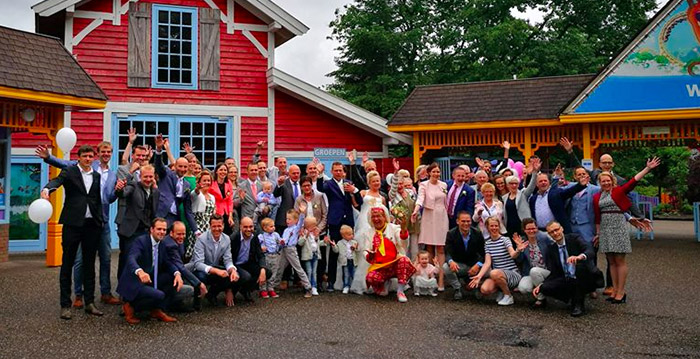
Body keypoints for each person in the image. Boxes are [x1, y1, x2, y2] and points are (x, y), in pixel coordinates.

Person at [35, 142, 120, 306]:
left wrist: (117, 192)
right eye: (102, 151)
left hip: (97, 222)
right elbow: (60, 175)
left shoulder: (106, 175)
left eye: (109, 151)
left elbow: (104, 198)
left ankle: (98, 297)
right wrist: (48, 164)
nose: (106, 154)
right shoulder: (76, 169)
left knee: (99, 261)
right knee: (74, 261)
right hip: (76, 222)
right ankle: (73, 299)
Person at [593, 157, 660, 304]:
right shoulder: (597, 196)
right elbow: (597, 217)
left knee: (619, 260)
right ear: (599, 183)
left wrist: (647, 168)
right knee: (610, 261)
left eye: (608, 180)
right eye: (603, 181)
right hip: (605, 229)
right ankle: (614, 290)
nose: (606, 183)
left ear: (612, 181)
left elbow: (633, 181)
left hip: (618, 227)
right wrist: (598, 234)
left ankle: (621, 292)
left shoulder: (618, 191)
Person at [117, 218, 183, 324]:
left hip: (150, 278)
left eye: (164, 230)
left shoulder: (162, 244)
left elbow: (168, 262)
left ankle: (156, 310)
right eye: (159, 229)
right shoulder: (141, 241)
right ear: (151, 230)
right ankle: (130, 305)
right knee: (159, 295)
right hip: (136, 281)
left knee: (172, 279)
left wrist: (177, 274)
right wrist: (139, 271)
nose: (162, 232)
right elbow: (131, 258)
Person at [534, 221, 603, 317]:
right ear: (549, 234)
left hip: (583, 276)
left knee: (579, 267)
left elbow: (590, 250)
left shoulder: (574, 238)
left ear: (562, 228)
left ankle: (578, 304)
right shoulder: (552, 249)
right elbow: (555, 272)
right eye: (551, 232)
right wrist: (542, 284)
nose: (555, 233)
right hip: (567, 278)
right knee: (544, 288)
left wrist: (580, 257)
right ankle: (572, 298)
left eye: (556, 230)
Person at [320, 162, 361, 292]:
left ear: (343, 172)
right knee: (334, 251)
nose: (338, 172)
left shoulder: (348, 183)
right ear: (331, 171)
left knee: (350, 251)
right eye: (336, 170)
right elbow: (321, 188)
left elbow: (358, 202)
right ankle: (331, 282)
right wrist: (320, 173)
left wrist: (354, 191)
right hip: (335, 221)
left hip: (348, 220)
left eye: (340, 170)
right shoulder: (328, 184)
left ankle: (349, 282)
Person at [114, 165, 160, 280]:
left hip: (146, 232)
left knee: (142, 260)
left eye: (150, 177)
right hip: (131, 231)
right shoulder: (134, 186)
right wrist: (119, 189)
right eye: (145, 177)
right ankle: (124, 290)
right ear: (140, 176)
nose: (148, 179)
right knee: (127, 260)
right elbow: (123, 194)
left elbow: (154, 213)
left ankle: (138, 289)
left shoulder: (155, 191)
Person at [468, 217, 527, 306]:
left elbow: (512, 254)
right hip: (498, 275)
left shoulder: (505, 240)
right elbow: (487, 263)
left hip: (512, 274)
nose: (494, 228)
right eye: (491, 226)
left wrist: (518, 250)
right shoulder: (487, 243)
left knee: (494, 273)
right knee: (485, 289)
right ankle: (502, 291)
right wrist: (479, 276)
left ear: (499, 227)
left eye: (496, 226)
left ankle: (508, 296)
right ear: (487, 227)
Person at [363, 207, 415, 303]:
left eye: (378, 216)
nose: (376, 219)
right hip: (380, 266)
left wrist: (403, 230)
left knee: (404, 260)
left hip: (395, 263)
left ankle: (400, 291)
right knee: (371, 278)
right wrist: (368, 255)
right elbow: (366, 249)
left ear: (385, 217)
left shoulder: (394, 228)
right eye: (373, 216)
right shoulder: (368, 232)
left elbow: (403, 244)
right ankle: (383, 284)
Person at [412, 163, 449, 291]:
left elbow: (446, 201)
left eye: (438, 172)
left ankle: (441, 280)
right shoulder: (423, 185)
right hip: (429, 215)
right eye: (434, 172)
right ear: (429, 173)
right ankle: (428, 278)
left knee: (440, 248)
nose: (436, 174)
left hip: (441, 216)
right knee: (429, 248)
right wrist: (416, 210)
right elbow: (420, 199)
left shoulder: (443, 185)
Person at [190, 214, 240, 307]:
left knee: (235, 276)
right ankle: (197, 301)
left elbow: (228, 260)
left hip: (215, 268)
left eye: (219, 226)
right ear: (210, 226)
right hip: (201, 270)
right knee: (202, 276)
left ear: (223, 226)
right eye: (214, 226)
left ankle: (211, 295)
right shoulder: (201, 239)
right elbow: (198, 263)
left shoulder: (226, 239)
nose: (217, 229)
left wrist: (232, 270)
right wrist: (216, 271)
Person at [350, 170, 387, 293]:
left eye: (378, 181)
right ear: (369, 183)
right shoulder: (363, 193)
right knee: (364, 250)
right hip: (364, 223)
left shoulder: (382, 197)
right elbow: (356, 204)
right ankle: (363, 281)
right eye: (373, 181)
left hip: (378, 225)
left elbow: (386, 213)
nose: (376, 183)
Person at [153, 134, 197, 232]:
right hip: (161, 215)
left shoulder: (187, 185)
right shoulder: (166, 174)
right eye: (180, 166)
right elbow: (159, 165)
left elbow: (188, 210)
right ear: (175, 166)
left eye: (185, 167)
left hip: (174, 219)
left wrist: (196, 230)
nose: (183, 169)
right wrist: (159, 150)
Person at [269, 206, 313, 298]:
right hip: (284, 249)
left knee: (298, 268)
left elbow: (301, 222)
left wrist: (301, 214)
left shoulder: (295, 229)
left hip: (291, 250)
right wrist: (281, 242)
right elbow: (284, 239)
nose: (287, 221)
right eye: (286, 219)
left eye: (289, 219)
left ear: (295, 220)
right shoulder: (286, 230)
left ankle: (308, 287)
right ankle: (273, 286)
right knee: (279, 267)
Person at [163, 221, 207, 312]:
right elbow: (180, 267)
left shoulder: (178, 241)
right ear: (171, 233)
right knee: (190, 289)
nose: (181, 237)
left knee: (194, 265)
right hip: (167, 277)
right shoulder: (170, 245)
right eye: (178, 234)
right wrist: (199, 284)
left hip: (175, 270)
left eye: (183, 234)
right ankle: (171, 304)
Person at [294, 176, 329, 289]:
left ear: (311, 185)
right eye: (304, 186)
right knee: (305, 257)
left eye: (308, 185)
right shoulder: (299, 199)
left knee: (320, 258)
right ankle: (306, 283)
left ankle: (318, 282)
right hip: (305, 233)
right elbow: (295, 215)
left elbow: (324, 215)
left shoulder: (319, 196)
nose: (307, 187)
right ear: (301, 187)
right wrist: (302, 230)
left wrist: (318, 229)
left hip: (319, 231)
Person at [443, 211, 485, 300]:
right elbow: (447, 252)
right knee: (446, 267)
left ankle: (476, 286)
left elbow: (483, 253)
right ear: (457, 221)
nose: (466, 223)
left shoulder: (477, 233)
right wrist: (451, 262)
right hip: (459, 265)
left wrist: (478, 265)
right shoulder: (451, 234)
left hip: (474, 265)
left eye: (468, 221)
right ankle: (457, 289)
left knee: (488, 270)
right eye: (463, 221)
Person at [230, 217, 268, 303]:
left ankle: (246, 290)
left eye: (251, 227)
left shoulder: (254, 237)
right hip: (234, 264)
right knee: (246, 276)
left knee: (267, 272)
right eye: (245, 227)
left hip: (247, 263)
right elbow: (228, 258)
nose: (248, 229)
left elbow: (260, 255)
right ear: (240, 227)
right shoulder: (233, 238)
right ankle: (232, 291)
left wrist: (263, 269)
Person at [515, 218, 551, 308]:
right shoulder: (522, 241)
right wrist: (519, 250)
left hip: (546, 271)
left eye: (533, 228)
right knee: (523, 288)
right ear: (524, 230)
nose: (531, 231)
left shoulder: (544, 238)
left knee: (534, 271)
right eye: (528, 229)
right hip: (530, 272)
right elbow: (519, 261)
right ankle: (540, 293)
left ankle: (540, 299)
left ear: (537, 228)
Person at [388, 161, 420, 259]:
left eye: (401, 184)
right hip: (401, 226)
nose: (400, 186)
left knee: (415, 251)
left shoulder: (411, 192)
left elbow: (417, 205)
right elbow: (393, 187)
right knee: (403, 250)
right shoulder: (393, 195)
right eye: (397, 184)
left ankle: (414, 270)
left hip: (414, 224)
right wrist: (396, 171)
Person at [502, 158, 540, 237]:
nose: (514, 185)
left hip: (523, 227)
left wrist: (534, 172)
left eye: (516, 183)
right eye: (511, 184)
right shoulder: (504, 198)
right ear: (507, 185)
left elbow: (532, 186)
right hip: (509, 228)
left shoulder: (523, 194)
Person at [190, 170, 216, 259]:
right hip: (198, 226)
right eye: (204, 180)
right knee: (196, 254)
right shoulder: (197, 194)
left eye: (208, 180)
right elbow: (194, 193)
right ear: (199, 182)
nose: (206, 183)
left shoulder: (212, 197)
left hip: (209, 227)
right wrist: (197, 188)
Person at [258, 218, 282, 298]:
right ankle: (263, 289)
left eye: (274, 226)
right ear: (265, 228)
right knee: (266, 272)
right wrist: (261, 248)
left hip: (275, 255)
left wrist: (281, 243)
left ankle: (271, 288)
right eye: (271, 226)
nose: (273, 228)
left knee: (274, 272)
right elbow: (258, 246)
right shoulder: (261, 236)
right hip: (266, 256)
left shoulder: (276, 235)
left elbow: (280, 242)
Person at [209, 163, 236, 235]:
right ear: (216, 171)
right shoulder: (212, 183)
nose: (223, 172)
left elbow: (230, 201)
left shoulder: (228, 183)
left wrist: (230, 216)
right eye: (221, 170)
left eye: (225, 170)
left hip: (226, 213)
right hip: (215, 213)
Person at [298, 216, 322, 296]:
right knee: (309, 271)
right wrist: (305, 236)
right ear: (308, 226)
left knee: (314, 272)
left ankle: (314, 287)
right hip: (307, 255)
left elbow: (317, 244)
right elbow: (300, 243)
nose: (315, 227)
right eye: (313, 225)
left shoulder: (315, 233)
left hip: (315, 254)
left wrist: (321, 240)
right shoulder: (303, 233)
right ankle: (308, 287)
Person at [336, 225, 359, 294]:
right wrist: (334, 246)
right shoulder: (340, 243)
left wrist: (356, 248)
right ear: (343, 236)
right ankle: (346, 286)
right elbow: (336, 251)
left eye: (352, 234)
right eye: (349, 235)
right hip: (345, 261)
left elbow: (358, 251)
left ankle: (354, 286)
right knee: (346, 274)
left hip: (353, 260)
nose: (351, 236)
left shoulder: (354, 242)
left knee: (354, 273)